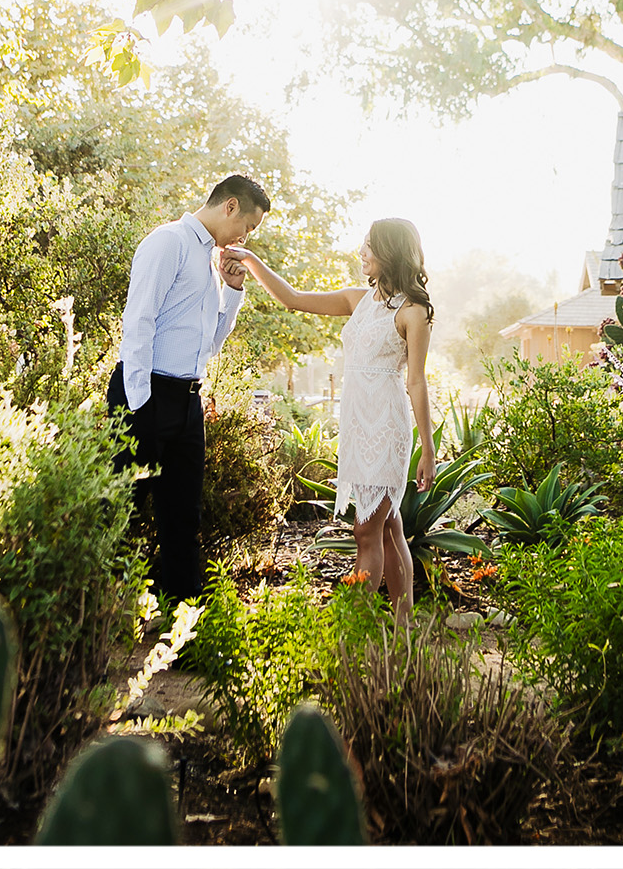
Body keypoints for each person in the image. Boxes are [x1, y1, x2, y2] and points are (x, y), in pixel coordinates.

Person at [235, 218, 435, 626]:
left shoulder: (415, 313)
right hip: (357, 427)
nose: (362, 252)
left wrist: (428, 450)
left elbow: (416, 382)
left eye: (370, 246)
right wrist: (252, 261)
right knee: (389, 527)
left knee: (366, 532)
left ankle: (353, 630)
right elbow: (291, 299)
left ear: (391, 253)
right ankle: (403, 630)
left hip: (387, 427)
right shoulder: (356, 299)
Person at [107, 175, 272, 609]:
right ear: (230, 207)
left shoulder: (210, 262)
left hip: (187, 402)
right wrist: (139, 406)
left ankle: (181, 627)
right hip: (144, 395)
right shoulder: (168, 243)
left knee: (183, 519)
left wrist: (233, 290)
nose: (245, 238)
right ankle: (102, 622)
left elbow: (209, 346)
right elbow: (138, 323)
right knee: (118, 513)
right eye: (249, 228)